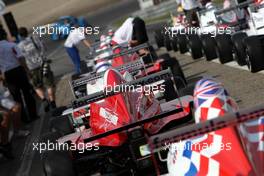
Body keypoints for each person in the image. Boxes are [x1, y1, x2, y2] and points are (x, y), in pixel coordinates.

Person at [0, 27, 38, 122]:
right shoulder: (12, 45)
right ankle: (33, 115)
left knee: (16, 97)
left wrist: (2, 77)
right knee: (27, 93)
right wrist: (27, 71)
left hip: (7, 74)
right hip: (18, 70)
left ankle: (24, 119)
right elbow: (21, 58)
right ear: (4, 36)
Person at [18, 27, 56, 111]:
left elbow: (21, 58)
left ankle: (44, 99)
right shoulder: (35, 39)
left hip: (31, 68)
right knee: (49, 84)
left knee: (36, 86)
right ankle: (52, 101)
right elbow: (44, 48)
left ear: (19, 35)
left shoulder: (19, 46)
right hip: (43, 64)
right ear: (27, 32)